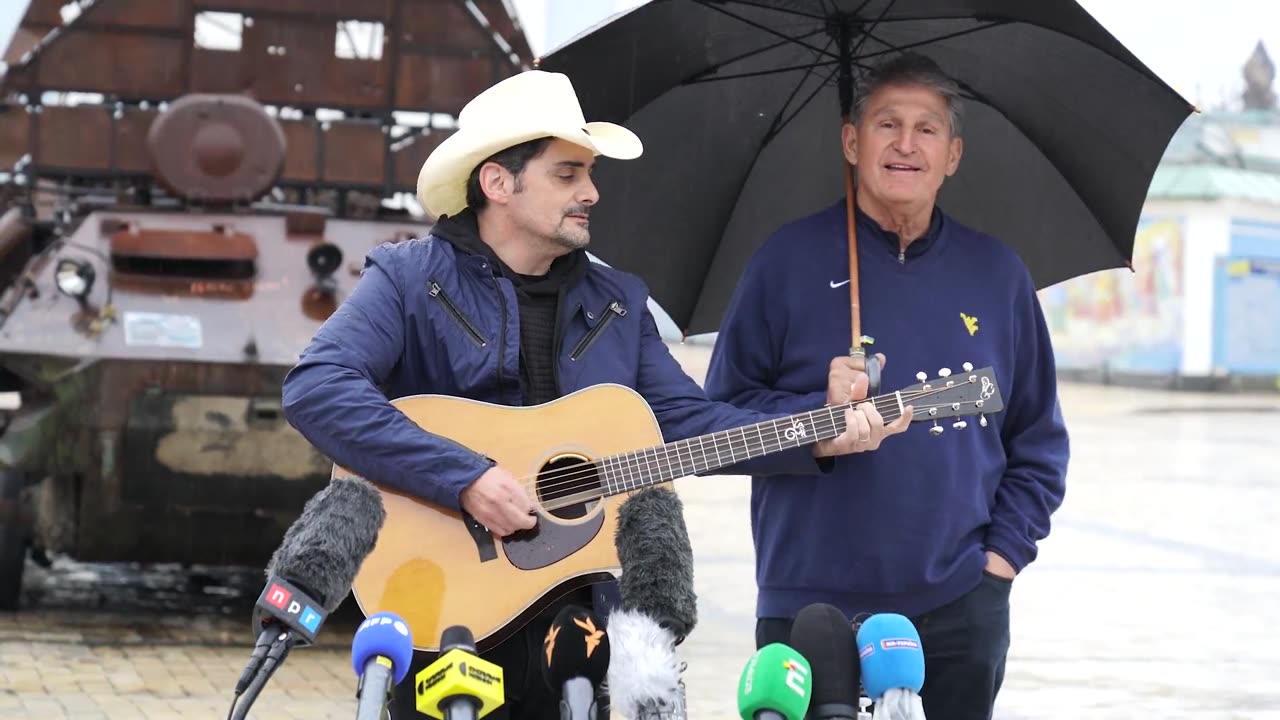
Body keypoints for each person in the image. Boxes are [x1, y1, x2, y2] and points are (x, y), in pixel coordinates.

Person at [280, 70, 906, 720]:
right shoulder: (411, 281)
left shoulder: (617, 302)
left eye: (589, 173)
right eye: (568, 174)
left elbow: (689, 426)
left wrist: (821, 427)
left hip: (584, 633)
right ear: (498, 182)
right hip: (448, 618)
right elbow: (318, 388)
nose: (591, 192)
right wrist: (463, 478)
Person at [703, 53, 1071, 720]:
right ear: (851, 141)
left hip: (958, 607)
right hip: (807, 609)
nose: (906, 145)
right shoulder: (784, 262)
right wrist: (818, 422)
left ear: (953, 154)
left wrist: (1000, 563)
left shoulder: (999, 275)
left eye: (927, 129)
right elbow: (716, 426)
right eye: (887, 124)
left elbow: (1038, 440)